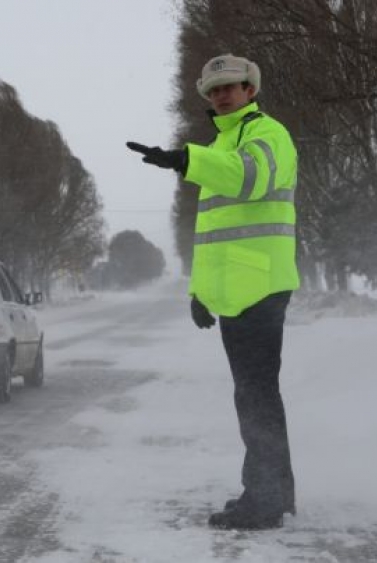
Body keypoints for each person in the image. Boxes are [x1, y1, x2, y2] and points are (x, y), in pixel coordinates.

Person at [126, 54, 299, 530]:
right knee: (256, 395)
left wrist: (187, 159)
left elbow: (249, 177)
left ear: (250, 90)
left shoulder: (267, 134)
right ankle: (274, 493)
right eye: (214, 89)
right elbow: (217, 239)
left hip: (260, 289)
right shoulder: (224, 144)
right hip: (240, 291)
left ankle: (264, 501)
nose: (223, 94)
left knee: (256, 396)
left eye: (232, 87)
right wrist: (201, 293)